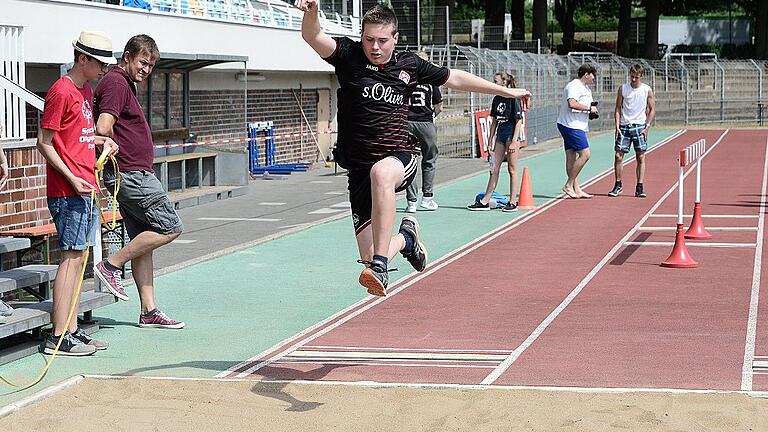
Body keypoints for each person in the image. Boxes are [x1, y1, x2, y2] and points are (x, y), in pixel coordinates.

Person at [296, 0, 531, 296]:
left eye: (383, 41)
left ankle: (382, 266)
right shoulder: (348, 56)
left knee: (381, 177)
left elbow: (455, 77)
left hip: (398, 157)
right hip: (357, 169)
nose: (375, 47)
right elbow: (312, 36)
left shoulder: (409, 63)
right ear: (361, 37)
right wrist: (312, 13)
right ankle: (406, 240)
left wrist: (506, 91)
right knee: (368, 260)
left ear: (395, 38)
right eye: (369, 40)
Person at [93, 34, 185, 329]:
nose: (146, 69)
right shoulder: (118, 82)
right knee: (170, 227)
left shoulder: (123, 83)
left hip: (132, 172)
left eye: (151, 65)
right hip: (130, 173)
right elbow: (103, 127)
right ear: (127, 56)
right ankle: (110, 265)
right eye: (143, 62)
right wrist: (108, 147)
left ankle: (149, 310)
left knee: (142, 241)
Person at [37, 31, 119, 355]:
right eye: (100, 63)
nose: (104, 70)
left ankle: (70, 328)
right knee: (70, 258)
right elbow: (44, 142)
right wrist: (71, 177)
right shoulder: (61, 91)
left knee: (79, 259)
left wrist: (100, 142)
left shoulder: (85, 90)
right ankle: (58, 335)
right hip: (68, 189)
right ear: (82, 58)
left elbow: (75, 137)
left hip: (86, 186)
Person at [467, 72, 523, 212]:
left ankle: (512, 201)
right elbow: (494, 121)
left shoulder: (513, 98)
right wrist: (490, 139)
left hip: (511, 135)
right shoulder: (497, 98)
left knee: (512, 168)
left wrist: (514, 141)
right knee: (493, 169)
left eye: (496, 81)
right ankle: (485, 200)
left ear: (504, 82)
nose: (494, 83)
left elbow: (518, 121)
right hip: (500, 136)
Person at [404, 51, 443, 213]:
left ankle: (411, 201)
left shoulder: (406, 79)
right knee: (429, 159)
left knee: (409, 160)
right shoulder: (431, 81)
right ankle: (427, 197)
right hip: (425, 122)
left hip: (406, 122)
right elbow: (438, 106)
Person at [609, 63, 655, 198]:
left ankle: (639, 186)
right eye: (632, 77)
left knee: (640, 156)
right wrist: (617, 125)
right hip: (624, 125)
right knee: (618, 156)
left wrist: (647, 126)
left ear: (641, 76)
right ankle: (618, 184)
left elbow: (652, 110)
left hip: (639, 126)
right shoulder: (623, 89)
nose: (633, 80)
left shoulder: (647, 90)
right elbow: (618, 107)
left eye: (636, 77)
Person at [557, 63, 598, 199]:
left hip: (578, 124)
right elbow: (572, 103)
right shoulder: (574, 86)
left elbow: (585, 105)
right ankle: (568, 185)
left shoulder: (586, 89)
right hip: (570, 125)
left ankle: (576, 188)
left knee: (571, 156)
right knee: (585, 154)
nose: (594, 78)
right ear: (586, 74)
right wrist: (588, 109)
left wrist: (591, 111)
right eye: (593, 75)